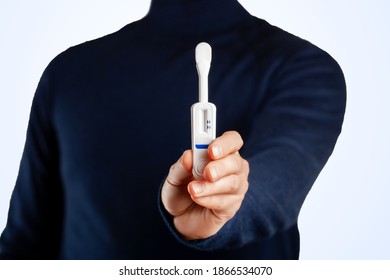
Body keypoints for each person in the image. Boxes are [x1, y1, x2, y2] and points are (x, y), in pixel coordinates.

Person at [0, 0, 346, 259]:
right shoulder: (67, 74)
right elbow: (25, 244)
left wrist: (225, 204)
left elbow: (275, 189)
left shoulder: (303, 68)